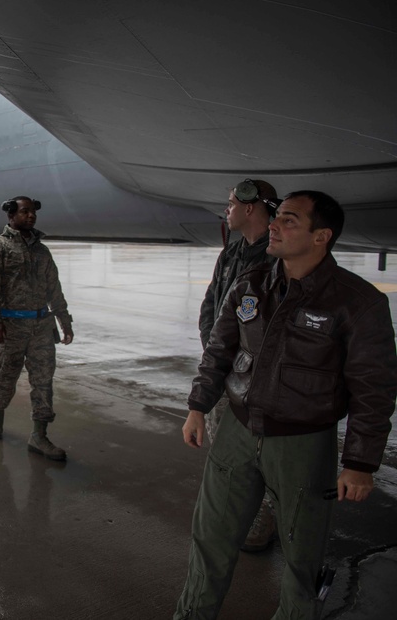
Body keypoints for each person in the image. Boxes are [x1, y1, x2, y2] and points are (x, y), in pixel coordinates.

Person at [173, 191, 397, 619]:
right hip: (236, 432)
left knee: (301, 559)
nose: (274, 226)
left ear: (321, 236)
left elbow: (374, 388)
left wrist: (360, 463)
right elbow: (219, 351)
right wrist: (198, 406)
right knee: (210, 542)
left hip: (302, 444)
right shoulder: (251, 283)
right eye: (277, 219)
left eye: (290, 221)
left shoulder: (357, 302)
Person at [198, 179, 280, 551]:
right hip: (224, 368)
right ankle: (241, 513)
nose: (226, 210)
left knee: (260, 449)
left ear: (250, 209)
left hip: (259, 377)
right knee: (226, 448)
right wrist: (214, 351)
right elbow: (210, 304)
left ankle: (265, 520)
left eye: (230, 204)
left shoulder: (276, 256)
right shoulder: (232, 252)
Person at [0, 196, 74, 461]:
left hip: (41, 327)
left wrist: (64, 321)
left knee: (43, 381)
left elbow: (54, 288)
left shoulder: (42, 251)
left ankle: (39, 436)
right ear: (11, 215)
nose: (30, 216)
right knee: (6, 376)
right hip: (11, 327)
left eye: (32, 212)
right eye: (24, 212)